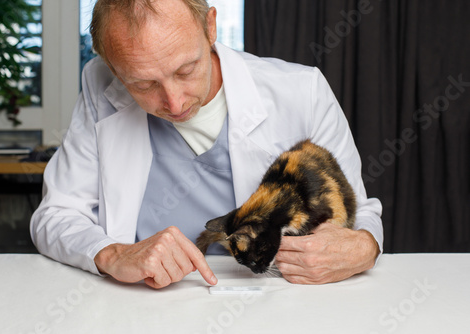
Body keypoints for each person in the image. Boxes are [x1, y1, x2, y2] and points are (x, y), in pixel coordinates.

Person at [30, 0, 383, 289]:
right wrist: (112, 254)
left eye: (186, 70)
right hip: (142, 306)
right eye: (142, 84)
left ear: (210, 27)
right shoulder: (98, 84)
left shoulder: (302, 92)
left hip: (274, 302)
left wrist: (366, 247)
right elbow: (56, 214)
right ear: (112, 66)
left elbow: (361, 214)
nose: (174, 102)